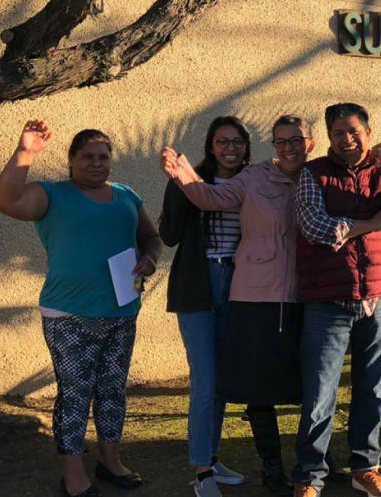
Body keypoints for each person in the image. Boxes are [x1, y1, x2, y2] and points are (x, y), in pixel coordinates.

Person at [161, 115, 347, 496]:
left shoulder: (319, 175)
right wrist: (180, 174)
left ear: (310, 143)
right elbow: (203, 204)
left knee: (308, 382)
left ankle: (312, 464)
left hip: (303, 290)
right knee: (229, 381)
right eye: (281, 141)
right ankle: (226, 468)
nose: (289, 147)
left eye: (296, 140)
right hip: (239, 288)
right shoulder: (255, 178)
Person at [0, 120, 162, 497]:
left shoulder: (126, 195)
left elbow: (151, 237)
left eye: (103, 157)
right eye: (87, 157)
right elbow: (6, 201)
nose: (96, 164)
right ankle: (72, 475)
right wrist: (26, 153)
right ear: (71, 160)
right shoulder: (53, 195)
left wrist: (149, 259)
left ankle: (110, 460)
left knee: (113, 390)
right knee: (75, 393)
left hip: (121, 311)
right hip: (69, 316)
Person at [291, 103, 381, 497]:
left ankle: (366, 467)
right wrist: (375, 222)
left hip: (377, 297)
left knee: (373, 388)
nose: (347, 140)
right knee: (318, 393)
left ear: (367, 131)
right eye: (338, 133)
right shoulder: (313, 173)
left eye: (354, 131)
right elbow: (315, 226)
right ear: (328, 138)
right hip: (328, 299)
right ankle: (310, 476)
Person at [158, 116, 250, 496]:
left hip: (241, 285)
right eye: (222, 142)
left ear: (246, 145)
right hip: (198, 285)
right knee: (205, 380)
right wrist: (180, 184)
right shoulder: (191, 178)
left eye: (237, 142)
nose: (230, 149)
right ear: (211, 146)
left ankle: (211, 457)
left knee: (223, 380)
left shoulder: (254, 181)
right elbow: (168, 235)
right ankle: (201, 471)